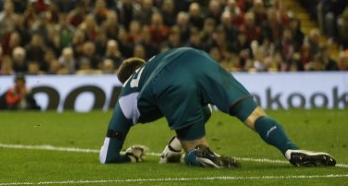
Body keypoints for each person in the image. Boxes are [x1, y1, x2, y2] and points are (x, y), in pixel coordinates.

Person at [99, 47, 337, 168]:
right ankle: (290, 149)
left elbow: (106, 156)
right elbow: (204, 112)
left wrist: (129, 157)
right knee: (253, 114)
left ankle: (200, 154)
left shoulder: (126, 94)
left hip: (167, 80)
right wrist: (173, 145)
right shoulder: (155, 59)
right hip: (196, 57)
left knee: (197, 149)